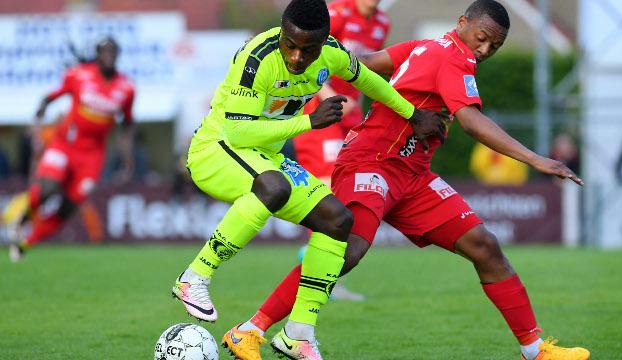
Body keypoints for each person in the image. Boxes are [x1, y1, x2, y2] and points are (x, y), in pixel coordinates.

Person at [224, 1, 590, 360]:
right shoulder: (453, 57)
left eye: (495, 45)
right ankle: (251, 330)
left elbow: (365, 65)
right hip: (372, 162)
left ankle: (534, 349)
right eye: (482, 38)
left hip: (412, 175)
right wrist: (536, 159)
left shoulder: (424, 48)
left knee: (484, 246)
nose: (484, 49)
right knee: (345, 250)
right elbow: (470, 120)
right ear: (463, 22)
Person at [171, 1, 444, 359]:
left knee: (338, 220)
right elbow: (238, 132)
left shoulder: (331, 53)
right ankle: (195, 277)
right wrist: (309, 122)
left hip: (264, 156)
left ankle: (298, 333)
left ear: (324, 42)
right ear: (282, 33)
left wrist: (411, 114)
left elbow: (367, 79)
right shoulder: (257, 58)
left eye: (308, 49)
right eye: (291, 45)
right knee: (273, 186)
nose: (298, 57)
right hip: (216, 148)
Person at [292, 0, 391, 302]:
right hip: (318, 110)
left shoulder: (381, 22)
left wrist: (360, 101)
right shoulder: (336, 13)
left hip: (349, 115)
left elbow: (364, 67)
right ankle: (316, 270)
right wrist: (328, 93)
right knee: (325, 190)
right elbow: (309, 54)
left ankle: (321, 268)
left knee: (344, 192)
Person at [7, 37, 135, 262]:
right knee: (46, 189)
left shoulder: (126, 88)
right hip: (64, 144)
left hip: (92, 157)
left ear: (118, 56)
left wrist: (127, 156)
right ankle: (24, 219)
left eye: (113, 52)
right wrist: (39, 114)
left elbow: (127, 124)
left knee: (67, 208)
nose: (109, 56)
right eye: (104, 52)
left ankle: (25, 244)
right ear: (97, 54)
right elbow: (51, 96)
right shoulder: (79, 75)